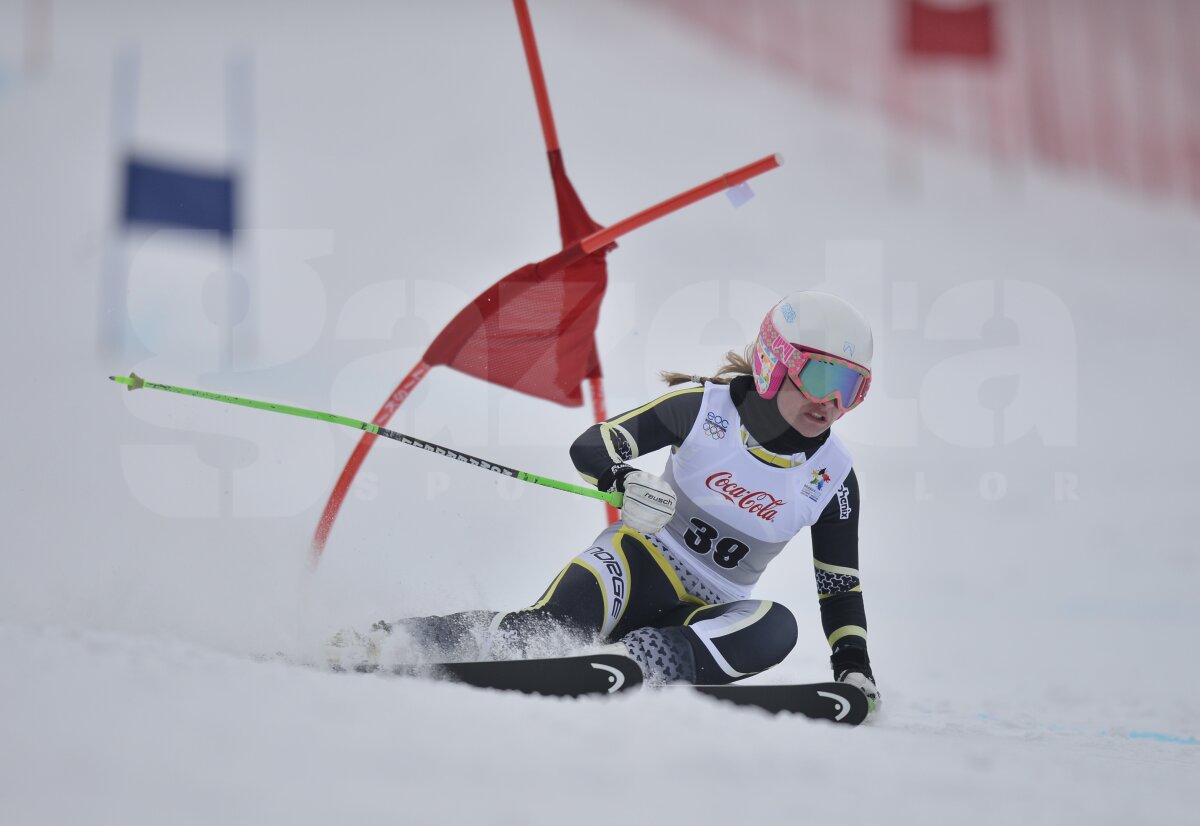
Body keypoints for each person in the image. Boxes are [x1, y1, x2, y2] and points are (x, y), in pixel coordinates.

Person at [335, 290, 880, 710]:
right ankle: (391, 640)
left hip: (711, 612)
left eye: (852, 388)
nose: (833, 402)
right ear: (774, 361)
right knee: (542, 633)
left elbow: (839, 586)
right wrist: (621, 477)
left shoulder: (833, 477)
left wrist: (853, 665)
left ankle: (645, 660)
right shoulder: (702, 409)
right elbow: (592, 443)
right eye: (821, 376)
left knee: (778, 624)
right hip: (635, 563)